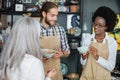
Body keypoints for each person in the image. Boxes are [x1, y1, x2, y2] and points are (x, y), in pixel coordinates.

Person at [80, 6, 118, 80]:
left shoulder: (112, 42)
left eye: (100, 25)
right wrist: (84, 57)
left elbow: (111, 66)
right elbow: (83, 63)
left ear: (106, 27)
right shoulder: (87, 40)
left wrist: (97, 57)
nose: (96, 27)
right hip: (87, 77)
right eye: (95, 24)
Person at [39, 2, 70, 80]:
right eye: (52, 15)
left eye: (56, 16)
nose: (55, 19)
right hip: (38, 72)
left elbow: (67, 52)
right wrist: (40, 58)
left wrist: (61, 54)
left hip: (55, 73)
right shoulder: (34, 29)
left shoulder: (60, 29)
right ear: (44, 14)